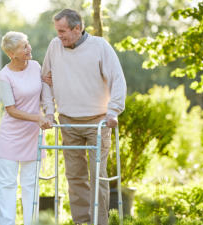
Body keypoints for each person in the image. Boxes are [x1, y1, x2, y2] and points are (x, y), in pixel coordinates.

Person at [41, 9, 127, 225]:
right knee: (75, 176)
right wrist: (49, 111)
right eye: (57, 31)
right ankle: (82, 222)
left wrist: (113, 110)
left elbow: (117, 79)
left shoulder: (99, 47)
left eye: (63, 31)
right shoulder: (54, 46)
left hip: (97, 121)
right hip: (68, 121)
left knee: (98, 176)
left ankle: (99, 222)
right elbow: (45, 79)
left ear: (77, 28)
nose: (59, 35)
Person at [0, 31, 51, 225]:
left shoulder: (36, 66)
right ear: (12, 54)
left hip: (32, 135)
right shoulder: (4, 75)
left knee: (31, 185)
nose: (29, 49)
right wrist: (37, 117)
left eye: (27, 44)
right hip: (11, 136)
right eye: (23, 47)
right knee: (7, 185)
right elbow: (11, 109)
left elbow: (45, 90)